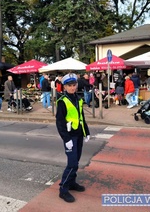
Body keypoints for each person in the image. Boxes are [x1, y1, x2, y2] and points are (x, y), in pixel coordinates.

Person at [56, 73, 90, 203]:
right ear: (64, 87)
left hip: (79, 134)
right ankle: (63, 189)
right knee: (72, 163)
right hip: (70, 136)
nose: (72, 87)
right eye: (69, 85)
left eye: (74, 85)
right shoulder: (62, 101)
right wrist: (66, 139)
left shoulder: (78, 99)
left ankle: (71, 183)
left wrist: (86, 132)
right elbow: (59, 123)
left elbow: (82, 117)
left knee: (76, 161)